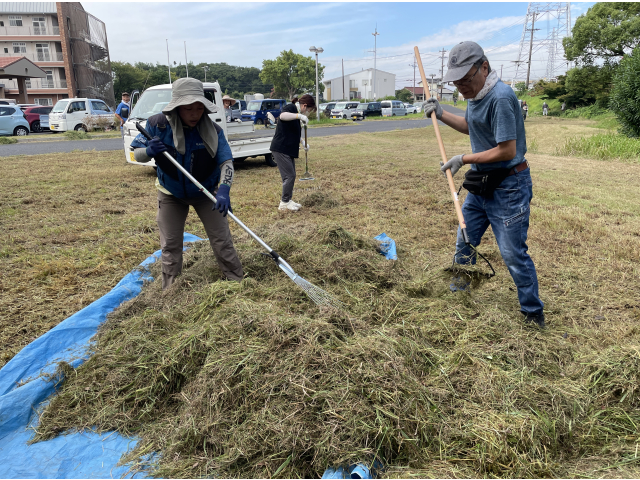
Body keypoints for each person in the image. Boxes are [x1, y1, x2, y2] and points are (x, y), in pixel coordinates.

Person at [423, 41, 545, 328]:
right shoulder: (477, 94)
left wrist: (463, 158)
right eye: (457, 82)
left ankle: (532, 313)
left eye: (466, 79)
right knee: (465, 240)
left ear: (484, 67)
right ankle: (459, 293)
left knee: (512, 253)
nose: (462, 87)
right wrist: (440, 114)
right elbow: (470, 125)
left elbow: (507, 150)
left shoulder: (500, 97)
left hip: (508, 185)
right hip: (482, 182)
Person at [129, 78, 244, 289]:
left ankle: (236, 282)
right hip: (170, 193)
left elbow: (226, 162)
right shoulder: (157, 125)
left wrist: (224, 190)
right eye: (188, 108)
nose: (194, 113)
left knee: (222, 240)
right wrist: (149, 151)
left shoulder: (214, 131)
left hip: (206, 193)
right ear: (177, 107)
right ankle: (170, 289)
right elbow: (137, 154)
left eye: (199, 108)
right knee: (171, 245)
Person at [269, 94, 315, 212]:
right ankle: (284, 203)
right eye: (309, 110)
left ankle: (288, 200)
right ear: (304, 106)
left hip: (288, 149)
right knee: (289, 176)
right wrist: (299, 115)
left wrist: (303, 143)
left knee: (291, 175)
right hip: (281, 148)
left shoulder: (296, 117)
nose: (308, 113)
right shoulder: (292, 108)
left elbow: (294, 133)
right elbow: (283, 116)